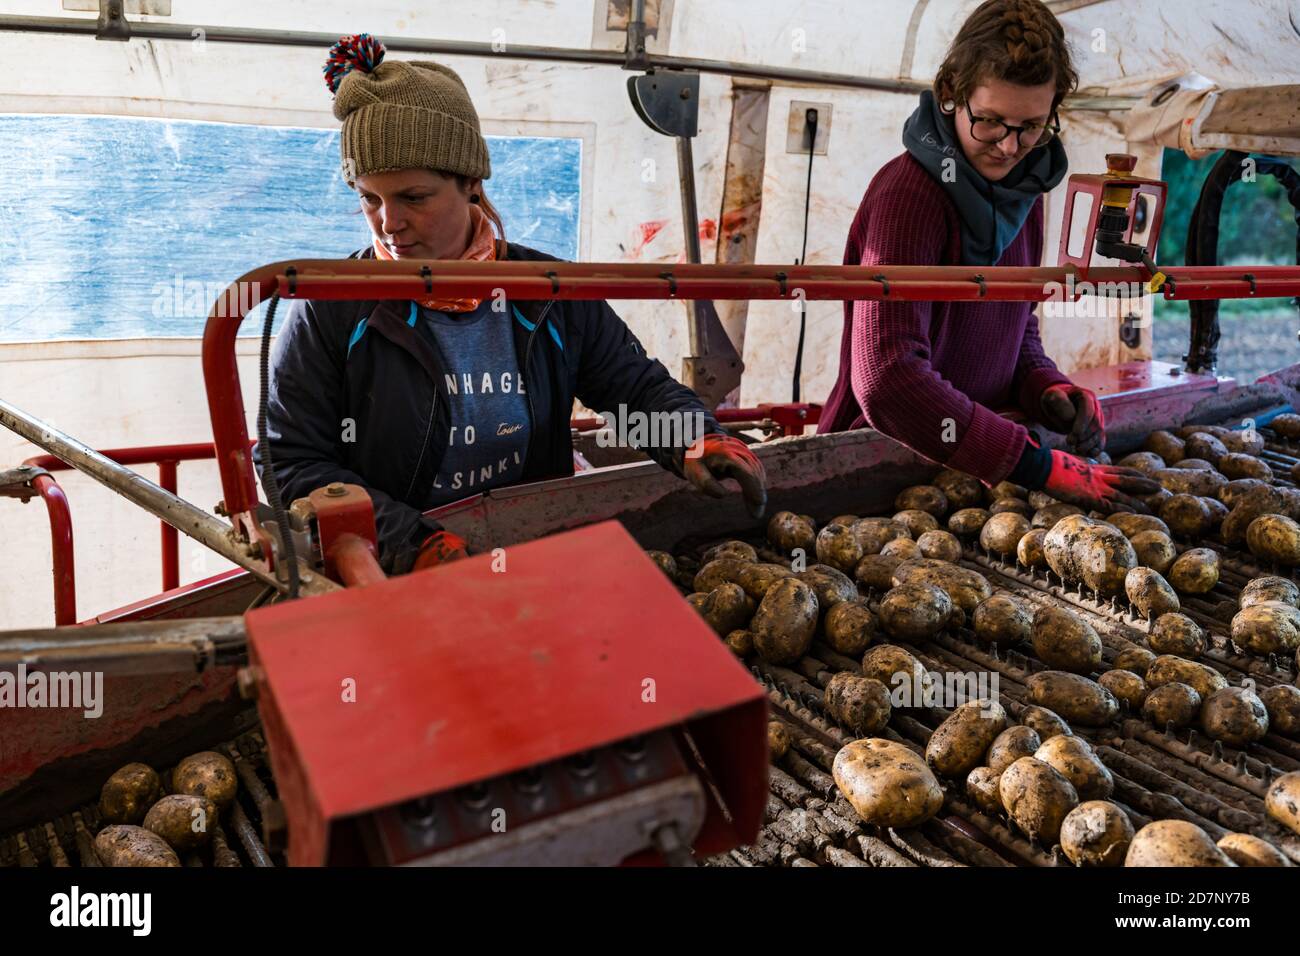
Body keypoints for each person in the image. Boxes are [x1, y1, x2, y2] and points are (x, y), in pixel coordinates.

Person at [256, 34, 766, 573]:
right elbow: (293, 458)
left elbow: (630, 388)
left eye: (414, 197)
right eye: (369, 198)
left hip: (529, 555)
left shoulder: (547, 290)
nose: (389, 222)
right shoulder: (334, 306)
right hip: (390, 574)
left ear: (471, 183)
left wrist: (696, 439)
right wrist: (415, 545)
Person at [819, 0, 1156, 511]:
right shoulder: (908, 197)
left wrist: (1044, 387)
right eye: (991, 121)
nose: (1007, 146)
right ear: (951, 94)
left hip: (979, 472)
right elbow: (889, 379)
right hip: (881, 470)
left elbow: (1015, 324)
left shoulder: (1026, 192)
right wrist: (1037, 465)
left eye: (1031, 126)